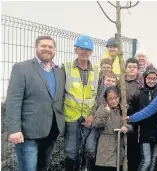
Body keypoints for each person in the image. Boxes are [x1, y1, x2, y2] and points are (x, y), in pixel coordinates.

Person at [5, 36, 65, 171]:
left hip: (50, 131)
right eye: (43, 46)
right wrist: (14, 129)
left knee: (43, 168)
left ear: (54, 50)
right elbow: (13, 100)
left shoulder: (59, 72)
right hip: (28, 133)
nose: (47, 49)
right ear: (36, 47)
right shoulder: (22, 68)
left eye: (50, 47)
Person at [63, 35, 102, 171]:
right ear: (76, 50)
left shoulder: (98, 71)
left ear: (91, 52)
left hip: (89, 117)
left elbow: (100, 95)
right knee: (71, 150)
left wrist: (92, 115)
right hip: (71, 117)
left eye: (88, 49)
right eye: (81, 48)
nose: (84, 52)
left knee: (90, 148)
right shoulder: (66, 68)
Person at [93, 86, 133, 171]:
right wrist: (105, 112)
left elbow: (131, 126)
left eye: (115, 98)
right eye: (110, 99)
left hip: (119, 148)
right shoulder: (103, 108)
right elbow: (97, 124)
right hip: (105, 149)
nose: (114, 101)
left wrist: (126, 128)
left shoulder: (122, 109)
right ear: (106, 99)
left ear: (119, 97)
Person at [130, 68, 157, 171]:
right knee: (146, 160)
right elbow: (134, 110)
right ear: (145, 79)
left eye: (154, 78)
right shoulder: (139, 93)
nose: (152, 81)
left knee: (154, 158)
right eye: (149, 78)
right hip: (144, 130)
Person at [124, 58, 144, 171]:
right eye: (129, 66)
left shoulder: (141, 84)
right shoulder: (120, 82)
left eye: (134, 67)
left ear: (138, 70)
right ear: (125, 68)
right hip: (121, 115)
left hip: (135, 116)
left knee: (133, 147)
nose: (131, 69)